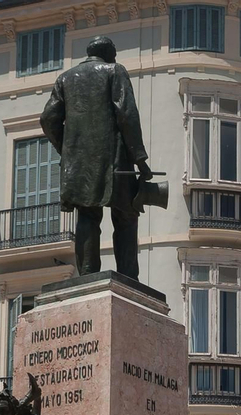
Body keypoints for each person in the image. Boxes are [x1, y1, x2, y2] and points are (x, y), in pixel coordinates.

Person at [39, 35, 157, 280]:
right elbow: (127, 114)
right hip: (116, 160)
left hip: (79, 164)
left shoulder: (65, 78)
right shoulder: (114, 71)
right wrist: (140, 158)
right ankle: (128, 277)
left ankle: (87, 274)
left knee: (87, 216)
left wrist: (67, 149)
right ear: (109, 54)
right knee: (126, 216)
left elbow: (48, 119)